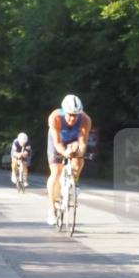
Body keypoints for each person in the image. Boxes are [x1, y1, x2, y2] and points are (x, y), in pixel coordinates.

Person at [46, 95, 92, 225]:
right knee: (56, 172)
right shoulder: (55, 117)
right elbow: (57, 143)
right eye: (70, 114)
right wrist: (65, 152)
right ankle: (51, 208)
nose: (73, 118)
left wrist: (77, 151)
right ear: (63, 111)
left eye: (76, 115)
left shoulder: (85, 119)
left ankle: (74, 182)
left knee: (78, 159)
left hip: (74, 140)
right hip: (57, 142)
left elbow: (83, 143)